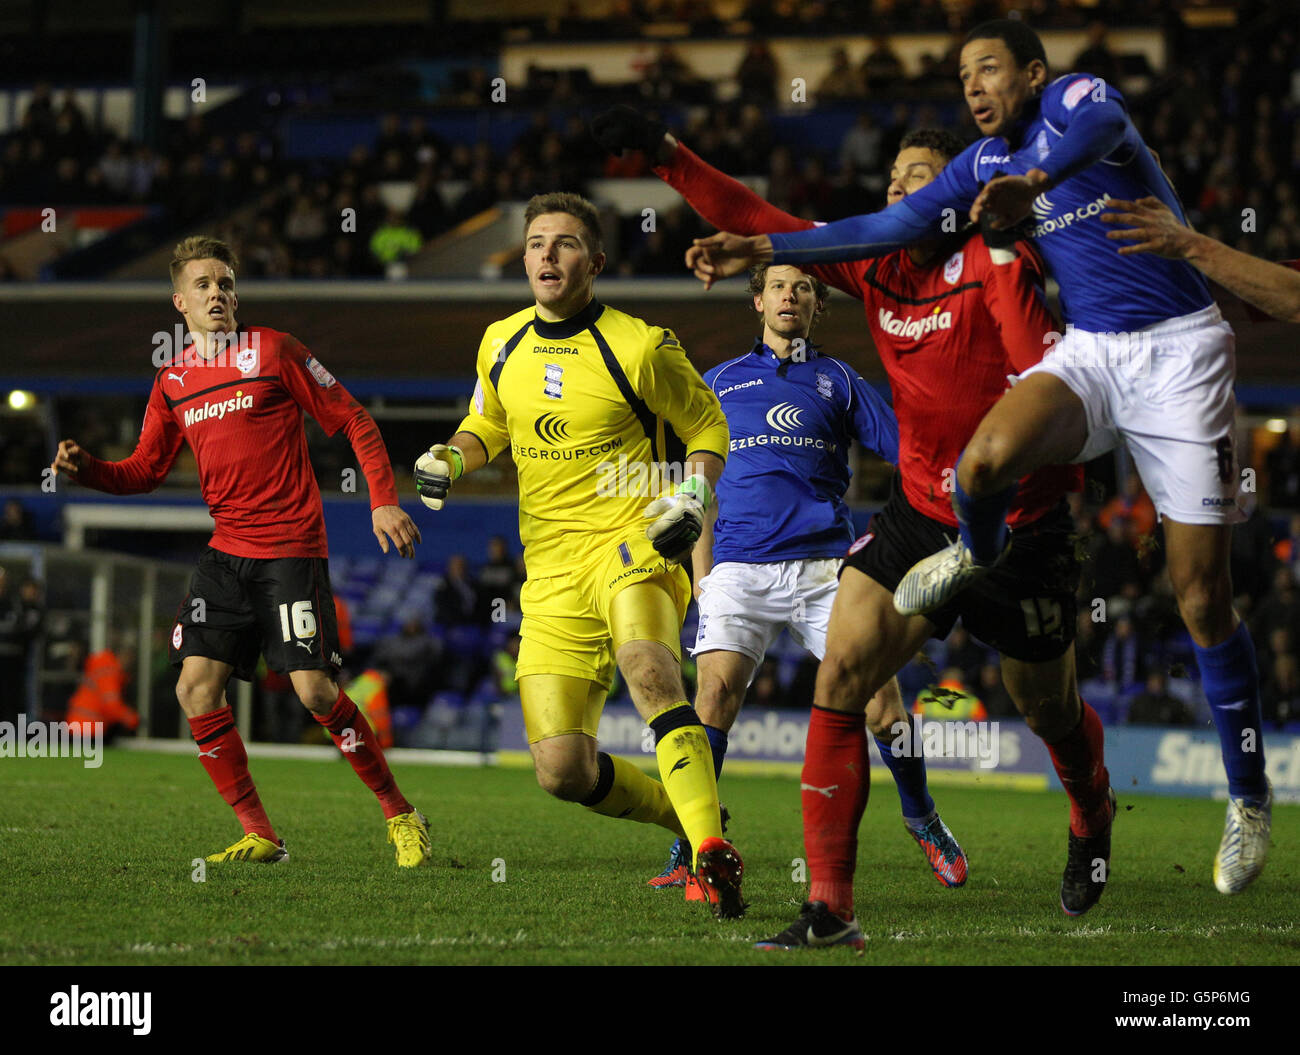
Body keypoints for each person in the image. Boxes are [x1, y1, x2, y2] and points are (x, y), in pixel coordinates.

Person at [685, 18, 1271, 899]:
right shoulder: (963, 191)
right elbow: (873, 224)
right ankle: (831, 906)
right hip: (1066, 387)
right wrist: (762, 247)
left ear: (1033, 73)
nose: (973, 85)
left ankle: (1236, 796)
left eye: (988, 68)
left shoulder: (1066, 121)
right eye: (962, 75)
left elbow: (1105, 131)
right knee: (972, 477)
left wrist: (1035, 185)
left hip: (1174, 358)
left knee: (1191, 599)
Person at [593, 105, 1107, 946]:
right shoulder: (872, 264)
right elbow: (767, 221)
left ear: (963, 190)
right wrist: (666, 155)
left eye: (918, 179)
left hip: (1020, 522)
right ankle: (829, 909)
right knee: (843, 680)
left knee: (1043, 705)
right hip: (914, 521)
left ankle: (1089, 814)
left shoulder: (1007, 257)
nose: (899, 189)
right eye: (894, 177)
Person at [50, 236, 431, 868]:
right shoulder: (171, 382)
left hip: (291, 551)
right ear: (180, 302)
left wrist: (383, 499)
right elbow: (144, 471)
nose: (218, 294)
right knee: (196, 689)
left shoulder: (275, 350)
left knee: (313, 692)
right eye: (203, 286)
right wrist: (87, 468)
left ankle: (400, 812)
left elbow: (354, 418)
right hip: (225, 557)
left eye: (226, 283)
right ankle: (262, 834)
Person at [413, 192, 745, 918]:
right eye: (536, 243)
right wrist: (452, 457)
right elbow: (486, 426)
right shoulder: (500, 342)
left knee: (648, 668)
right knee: (561, 768)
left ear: (594, 262)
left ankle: (713, 852)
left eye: (564, 244)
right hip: (553, 569)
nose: (547, 255)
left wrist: (691, 494)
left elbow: (707, 423)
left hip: (634, 542)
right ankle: (688, 823)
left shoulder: (640, 344)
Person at [641, 259, 973, 896]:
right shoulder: (718, 383)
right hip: (738, 567)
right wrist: (703, 577)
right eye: (776, 287)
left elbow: (907, 455)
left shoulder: (839, 381)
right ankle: (692, 845)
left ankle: (922, 818)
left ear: (818, 305)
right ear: (757, 302)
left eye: (802, 288)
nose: (789, 296)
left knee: (883, 704)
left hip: (826, 568)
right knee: (712, 700)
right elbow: (697, 489)